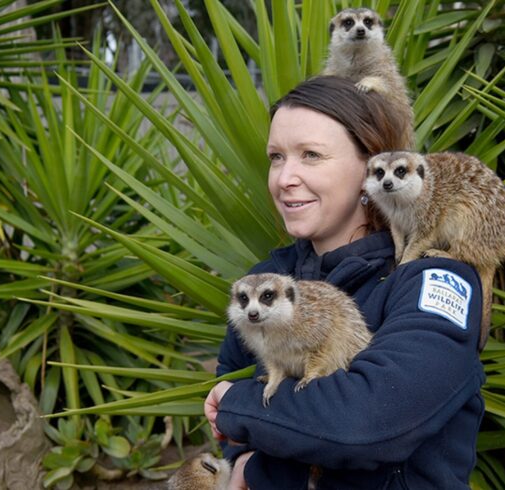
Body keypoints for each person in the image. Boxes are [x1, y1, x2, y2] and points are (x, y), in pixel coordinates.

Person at [205, 76, 485, 489]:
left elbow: (368, 424)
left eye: (311, 155)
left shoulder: (431, 279)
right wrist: (245, 454)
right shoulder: (267, 278)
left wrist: (237, 410)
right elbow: (235, 384)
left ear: (372, 169)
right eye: (277, 156)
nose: (284, 178)